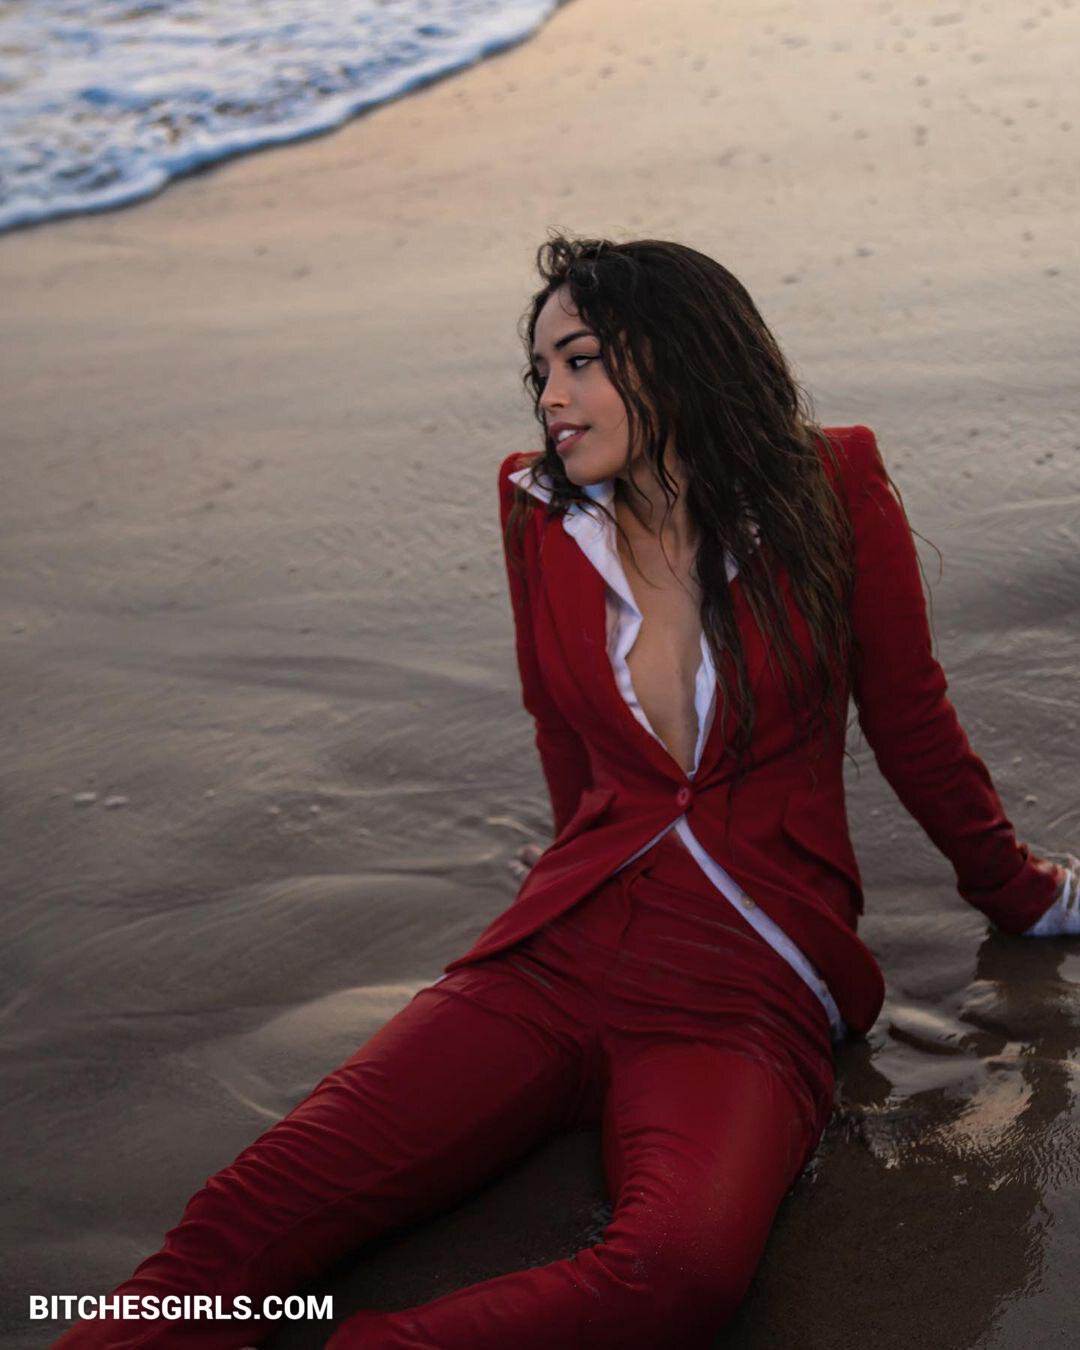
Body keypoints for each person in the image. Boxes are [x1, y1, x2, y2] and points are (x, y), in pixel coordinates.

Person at [53, 235, 1079, 1350]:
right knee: (242, 1219)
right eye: (540, 369)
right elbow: (558, 724)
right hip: (554, 955)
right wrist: (566, 863)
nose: (550, 396)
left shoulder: (831, 486)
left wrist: (1022, 895)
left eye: (579, 360)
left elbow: (910, 720)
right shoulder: (535, 507)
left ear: (677, 355)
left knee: (676, 1275)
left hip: (743, 985)